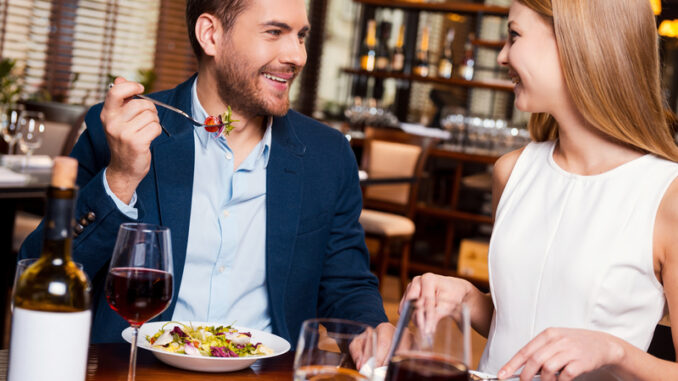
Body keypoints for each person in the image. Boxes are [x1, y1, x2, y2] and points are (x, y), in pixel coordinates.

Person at [19, 0, 391, 347]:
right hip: (136, 368)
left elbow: (347, 285)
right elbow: (35, 270)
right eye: (274, 32)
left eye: (301, 35)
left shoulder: (327, 155)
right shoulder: (118, 133)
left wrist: (376, 332)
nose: (297, 55)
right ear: (211, 35)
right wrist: (121, 177)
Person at [400, 0, 678, 380]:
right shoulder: (513, 171)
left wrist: (614, 351)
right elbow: (514, 324)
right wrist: (466, 298)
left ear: (577, 42)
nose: (502, 56)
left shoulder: (666, 195)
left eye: (514, 35)